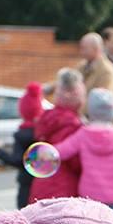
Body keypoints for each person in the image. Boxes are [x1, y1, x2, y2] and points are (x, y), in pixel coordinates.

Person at [56, 89, 113, 215]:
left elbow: (61, 151)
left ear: (91, 109)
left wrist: (43, 151)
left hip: (90, 195)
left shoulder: (83, 134)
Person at [29, 68, 85, 203]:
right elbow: (76, 163)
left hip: (41, 187)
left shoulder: (48, 118)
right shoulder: (73, 125)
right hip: (63, 191)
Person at [0, 81, 44, 209]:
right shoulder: (44, 132)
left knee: (25, 215)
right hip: (43, 183)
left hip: (26, 184)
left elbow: (17, 160)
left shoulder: (21, 135)